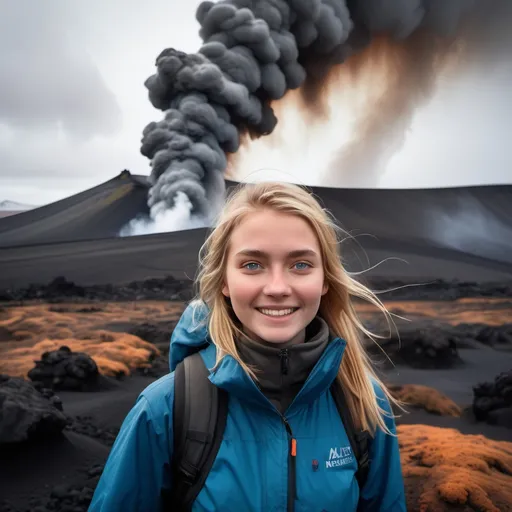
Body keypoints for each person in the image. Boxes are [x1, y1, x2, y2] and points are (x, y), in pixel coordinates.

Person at [89, 181, 407, 511]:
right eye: (252, 265)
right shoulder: (162, 411)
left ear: (325, 279)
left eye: (301, 264)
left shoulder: (363, 402)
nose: (278, 287)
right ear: (223, 281)